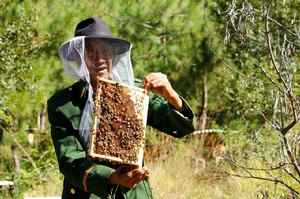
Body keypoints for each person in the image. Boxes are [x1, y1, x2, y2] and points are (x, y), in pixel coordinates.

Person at [47, 16, 195, 199]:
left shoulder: (134, 92)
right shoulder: (63, 105)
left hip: (133, 193)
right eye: (91, 51)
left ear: (113, 55)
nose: (99, 58)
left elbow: (182, 128)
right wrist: (112, 177)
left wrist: (171, 95)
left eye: (105, 50)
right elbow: (70, 161)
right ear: (79, 58)